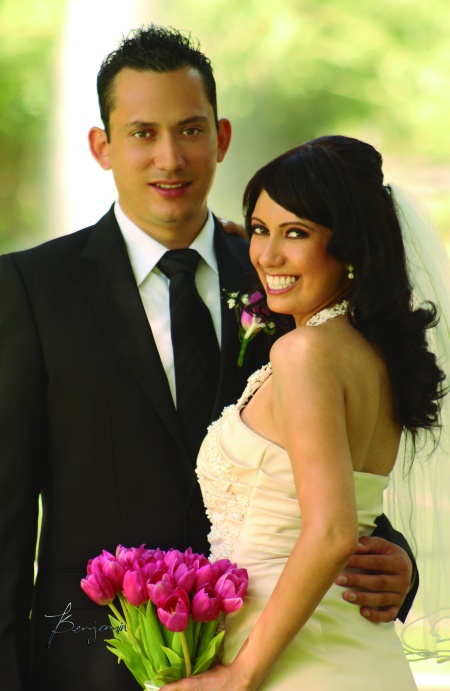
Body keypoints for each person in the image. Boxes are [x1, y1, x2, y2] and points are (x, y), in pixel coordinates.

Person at [0, 27, 417, 691]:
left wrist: (396, 556)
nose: (171, 156)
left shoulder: (288, 285)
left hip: (281, 655)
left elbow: (323, 469)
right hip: (96, 664)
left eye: (190, 129)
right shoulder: (29, 289)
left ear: (221, 137)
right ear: (101, 146)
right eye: (142, 132)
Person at [165, 136, 448, 690]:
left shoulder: (304, 353)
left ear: (349, 246)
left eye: (296, 233)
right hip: (354, 654)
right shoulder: (372, 355)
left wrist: (240, 675)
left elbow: (334, 530)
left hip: (295, 664)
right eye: (260, 228)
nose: (267, 255)